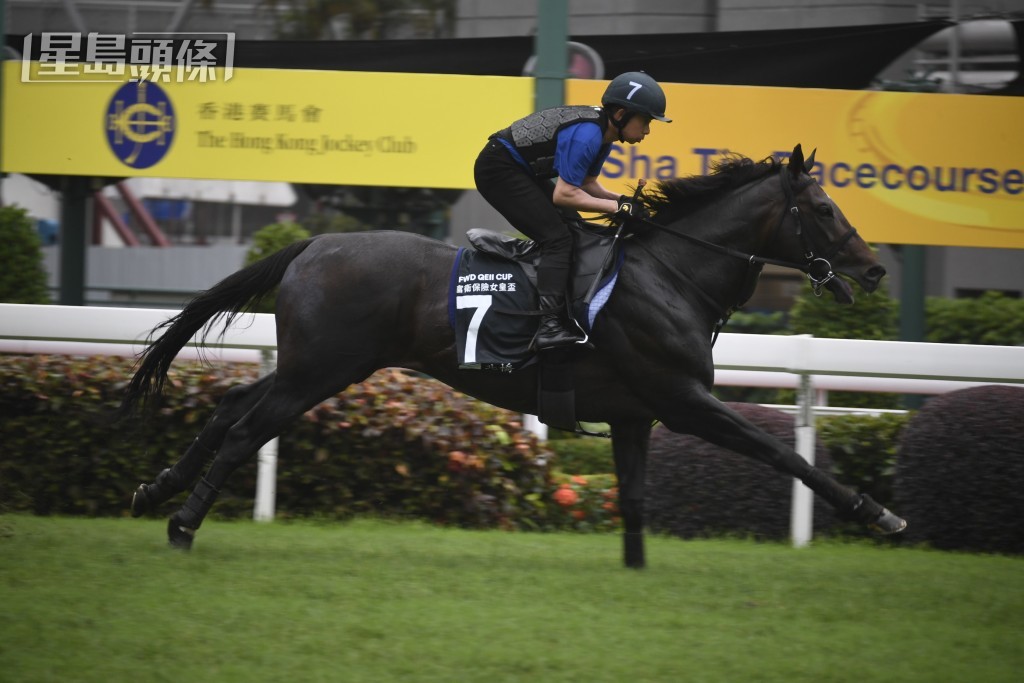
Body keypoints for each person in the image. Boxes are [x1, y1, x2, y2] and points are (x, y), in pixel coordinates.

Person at [474, 71, 671, 351]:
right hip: (498, 170)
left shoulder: (605, 134)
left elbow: (589, 185)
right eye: (646, 120)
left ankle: (557, 305)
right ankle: (548, 326)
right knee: (558, 239)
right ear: (622, 113)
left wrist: (625, 201)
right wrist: (618, 207)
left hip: (520, 169)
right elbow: (565, 194)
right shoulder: (588, 135)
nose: (648, 130)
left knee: (575, 230)